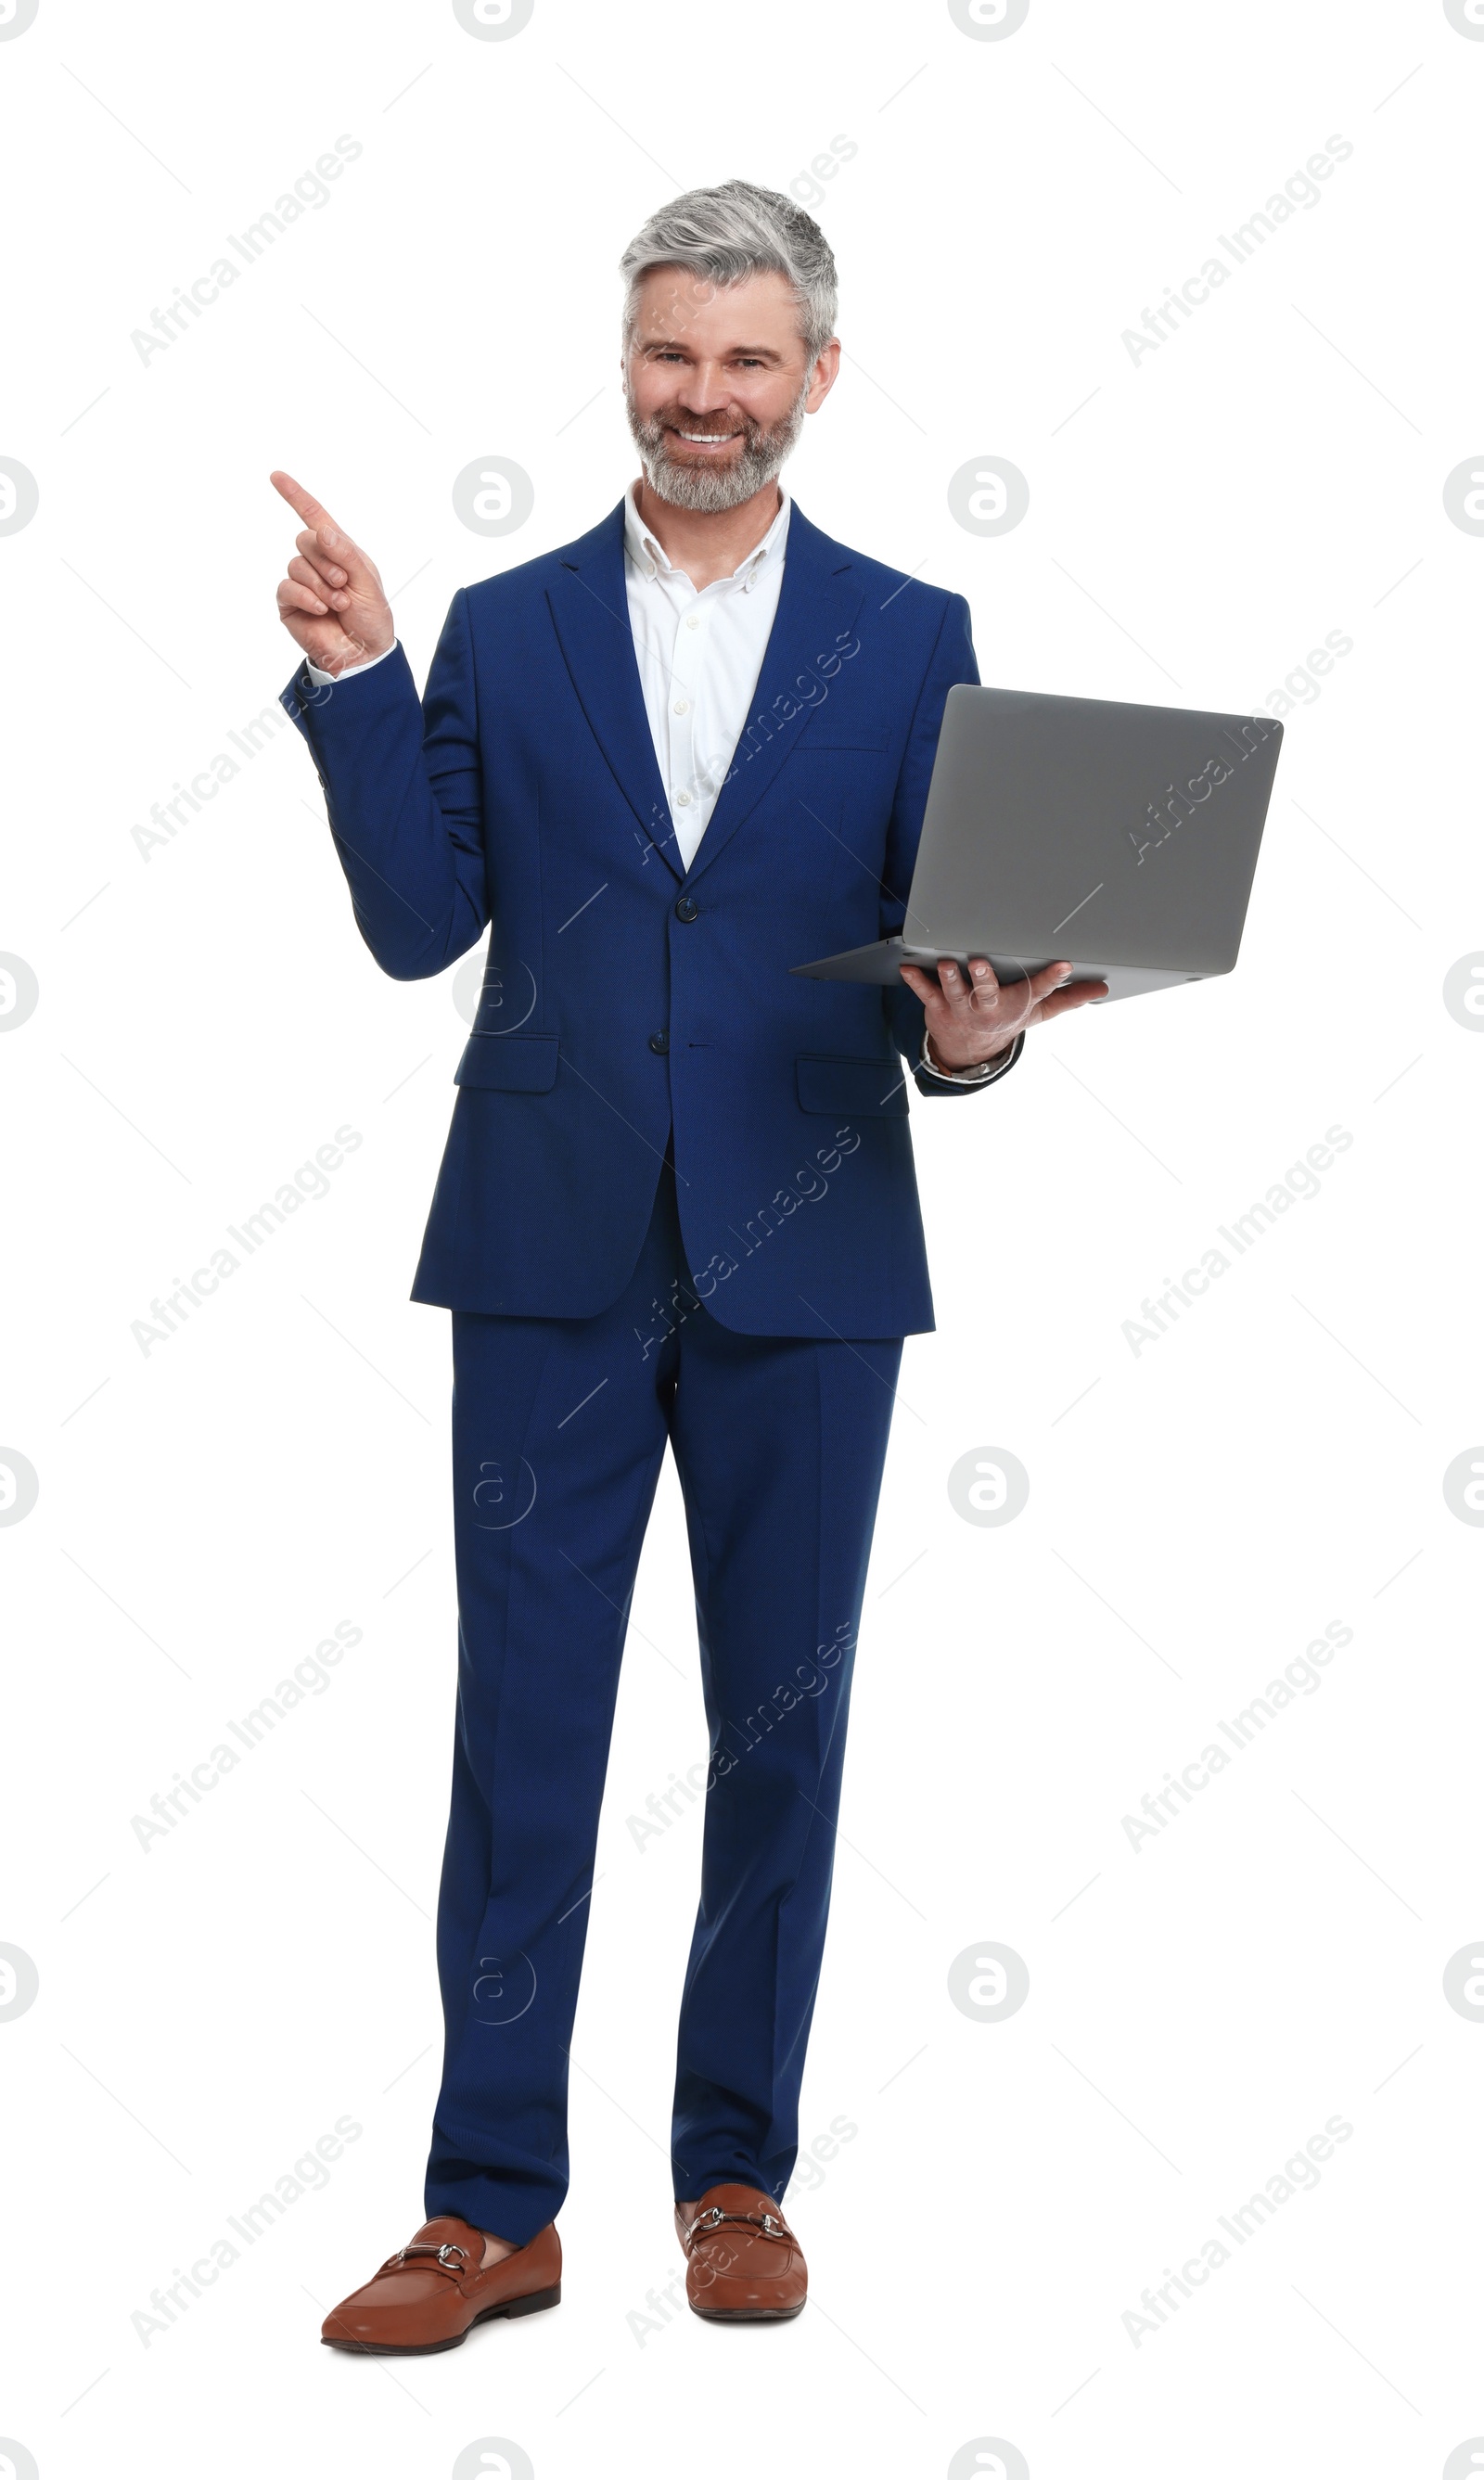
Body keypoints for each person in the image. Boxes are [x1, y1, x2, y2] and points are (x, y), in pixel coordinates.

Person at [272, 180, 1103, 2356]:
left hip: (808, 1243)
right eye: (669, 354)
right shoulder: (507, 619)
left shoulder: (913, 631)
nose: (703, 397)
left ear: (815, 375)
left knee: (779, 1731)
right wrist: (359, 679)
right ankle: (487, 2206)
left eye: (746, 359)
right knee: (520, 1735)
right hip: (545, 1250)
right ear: (622, 362)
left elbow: (955, 954)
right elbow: (413, 925)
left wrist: (979, 1036)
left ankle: (732, 2172)